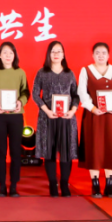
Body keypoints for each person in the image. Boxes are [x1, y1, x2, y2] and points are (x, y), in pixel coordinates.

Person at [78, 42, 112, 199]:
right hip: (94, 116)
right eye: (97, 52)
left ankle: (110, 185)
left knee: (111, 148)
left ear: (108, 55)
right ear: (92, 55)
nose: (100, 55)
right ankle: (95, 185)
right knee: (95, 148)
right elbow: (82, 93)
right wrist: (92, 108)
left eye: (103, 52)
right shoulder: (86, 70)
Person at [32, 41, 78, 197]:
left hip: (66, 118)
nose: (56, 54)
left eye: (59, 51)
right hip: (47, 118)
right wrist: (46, 110)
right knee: (49, 152)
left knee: (66, 152)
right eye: (53, 51)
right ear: (48, 54)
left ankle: (64, 183)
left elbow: (75, 95)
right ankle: (52, 183)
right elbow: (35, 94)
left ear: (63, 55)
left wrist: (72, 110)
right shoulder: (42, 73)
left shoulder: (69, 73)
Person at [0, 42, 29, 197]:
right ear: (0, 55)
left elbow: (26, 92)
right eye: (5, 52)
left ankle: (14, 185)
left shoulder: (20, 72)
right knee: (0, 151)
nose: (8, 55)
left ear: (14, 55)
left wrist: (20, 102)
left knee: (16, 151)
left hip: (16, 115)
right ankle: (1, 185)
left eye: (11, 52)